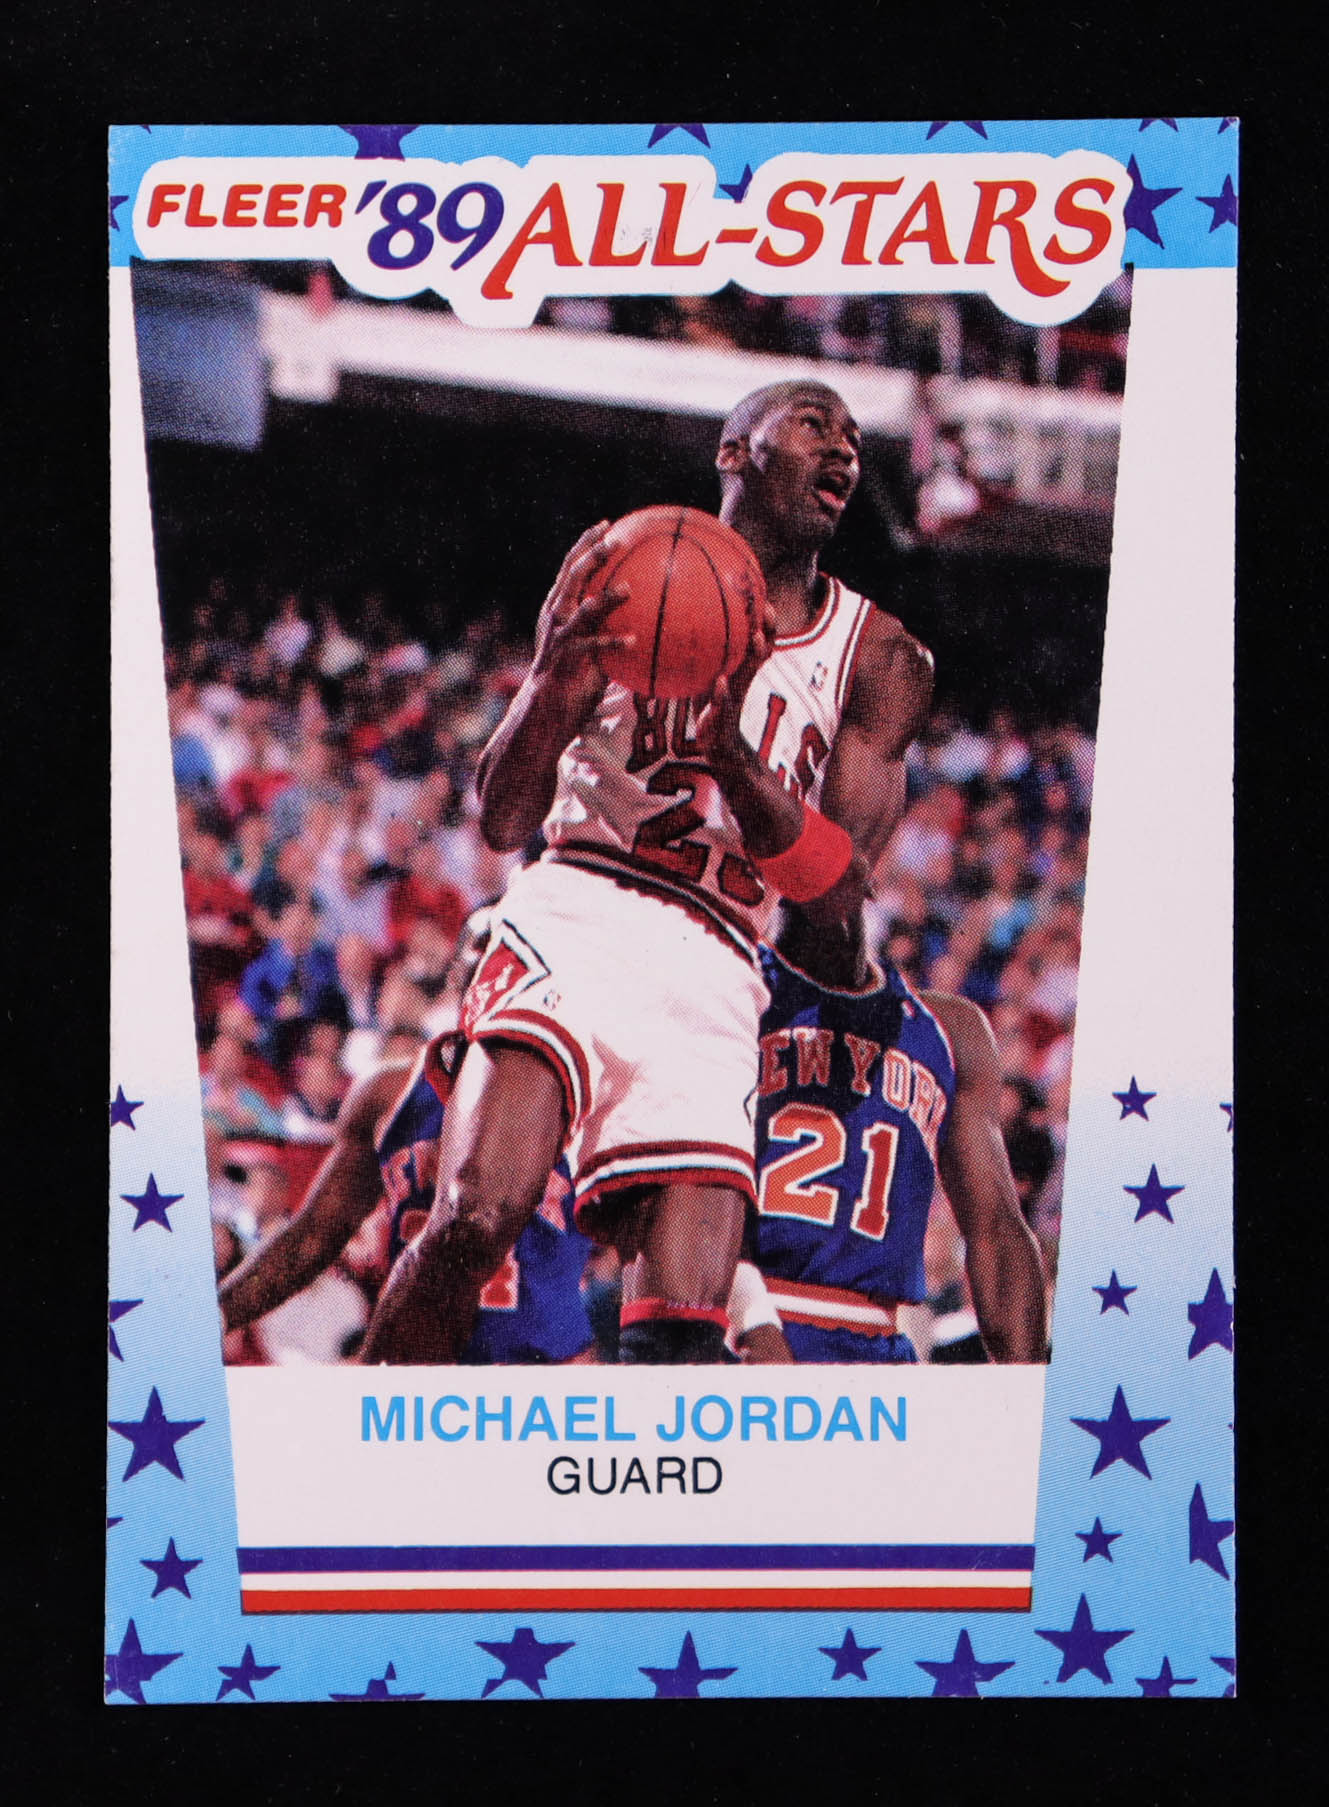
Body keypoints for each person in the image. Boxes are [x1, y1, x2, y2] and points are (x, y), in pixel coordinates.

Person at [360, 379, 935, 1366]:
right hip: (577, 908)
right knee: (472, 1219)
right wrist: (549, 682)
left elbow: (836, 896)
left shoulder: (880, 657)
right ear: (735, 451)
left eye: (852, 435)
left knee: (680, 1332)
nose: (843, 447)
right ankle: (349, 1442)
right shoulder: (625, 572)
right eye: (813, 423)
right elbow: (502, 818)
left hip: (721, 960)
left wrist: (736, 765)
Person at [749, 931, 1049, 1363]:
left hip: (872, 1338)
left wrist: (1026, 1392)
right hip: (745, 1322)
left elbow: (998, 1231)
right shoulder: (738, 987)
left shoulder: (946, 1029)